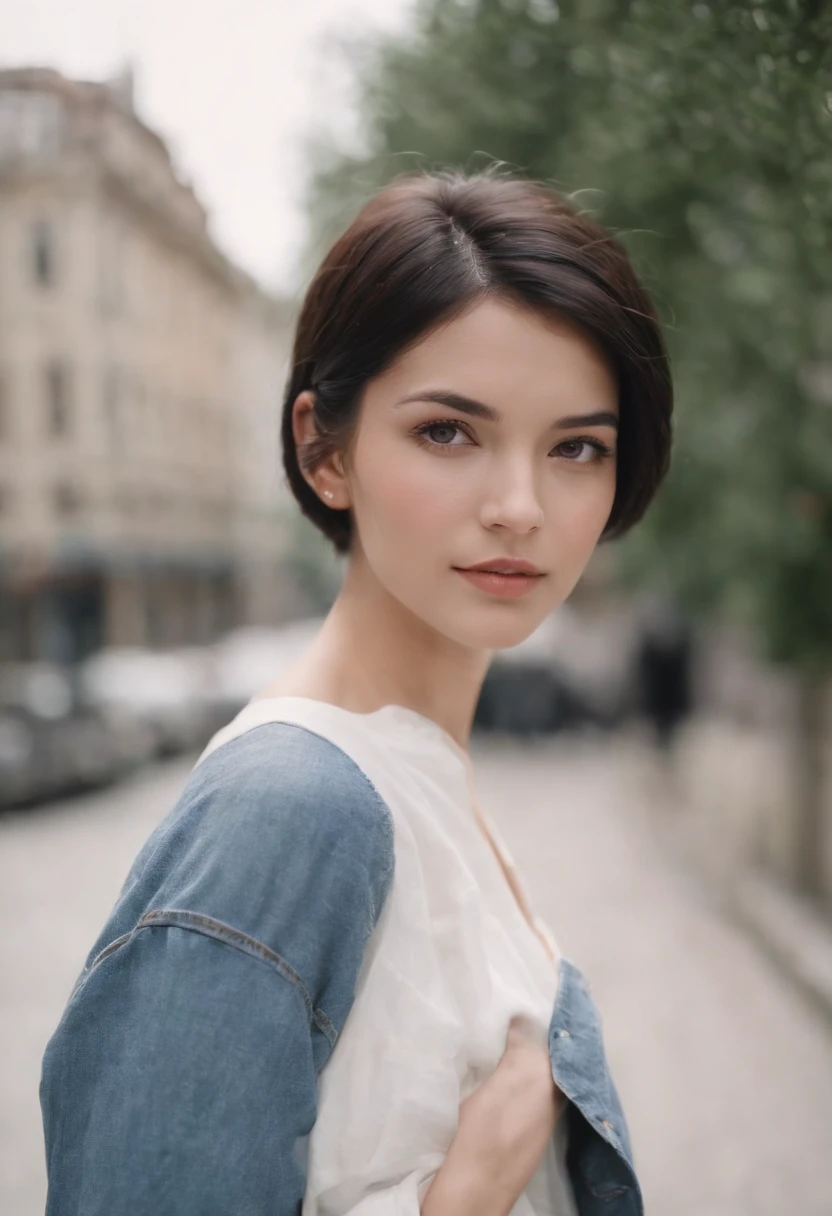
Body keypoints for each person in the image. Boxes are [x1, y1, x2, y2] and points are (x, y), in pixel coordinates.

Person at [40, 170, 673, 1215]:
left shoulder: (417, 768)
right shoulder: (292, 806)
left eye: (575, 447)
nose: (519, 506)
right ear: (322, 449)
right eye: (447, 431)